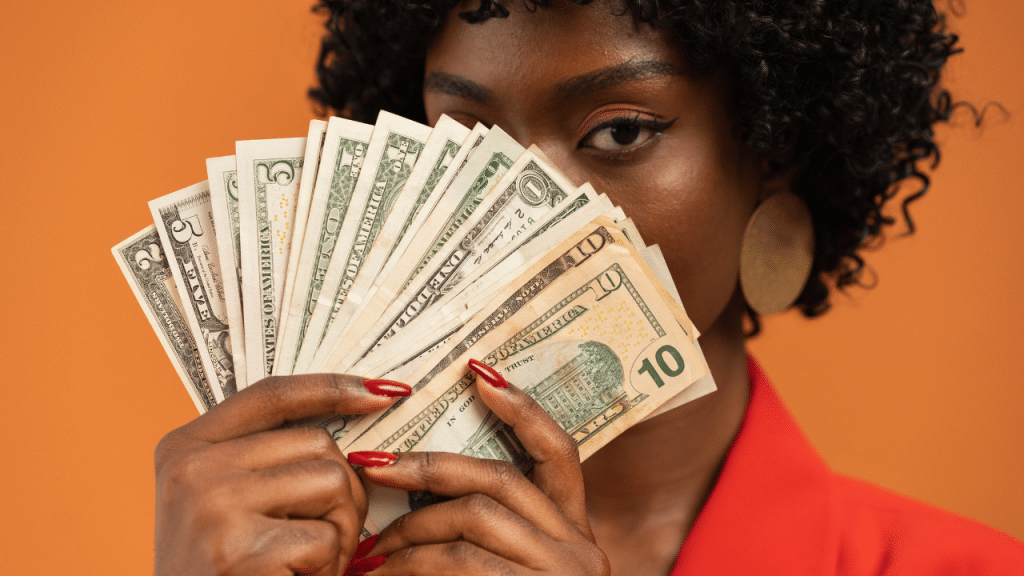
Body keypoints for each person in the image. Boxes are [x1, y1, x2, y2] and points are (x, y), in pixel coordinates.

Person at [153, 1, 1024, 575]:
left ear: (774, 148)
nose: (513, 209)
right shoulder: (285, 554)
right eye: (466, 135)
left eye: (619, 132)